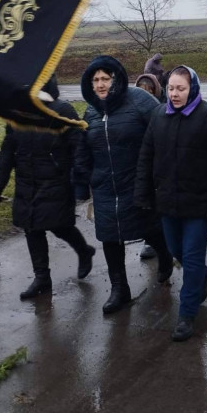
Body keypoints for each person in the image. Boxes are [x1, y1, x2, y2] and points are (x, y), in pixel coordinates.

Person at [134, 66, 207, 342]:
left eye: (181, 88)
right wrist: (142, 194)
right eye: (171, 88)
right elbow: (146, 156)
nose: (175, 94)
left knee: (191, 256)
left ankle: (187, 315)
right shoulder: (158, 115)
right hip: (167, 202)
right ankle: (202, 275)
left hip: (199, 205)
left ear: (193, 89)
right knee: (176, 250)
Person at [75, 55, 173, 314]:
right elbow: (83, 148)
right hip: (105, 187)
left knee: (149, 228)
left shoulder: (138, 100)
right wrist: (84, 180)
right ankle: (120, 288)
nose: (100, 84)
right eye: (95, 80)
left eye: (105, 79)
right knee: (110, 237)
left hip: (136, 182)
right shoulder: (91, 110)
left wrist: (161, 172)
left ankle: (165, 255)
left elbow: (164, 130)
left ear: (115, 79)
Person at [0, 76, 95, 300]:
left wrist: (80, 180)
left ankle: (84, 250)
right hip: (26, 182)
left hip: (55, 181)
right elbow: (7, 150)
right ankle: (42, 278)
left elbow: (78, 146)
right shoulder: (18, 113)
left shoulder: (62, 110)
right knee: (32, 228)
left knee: (59, 226)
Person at [135, 73, 164, 260]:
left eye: (150, 92)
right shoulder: (132, 109)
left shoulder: (163, 109)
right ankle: (150, 240)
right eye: (141, 91)